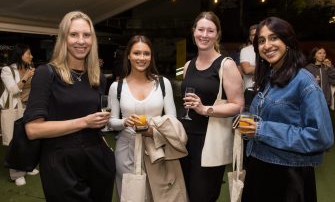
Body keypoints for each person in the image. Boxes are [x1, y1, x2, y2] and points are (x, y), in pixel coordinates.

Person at [24, 11, 115, 202]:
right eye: (74, 34)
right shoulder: (46, 74)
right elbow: (33, 129)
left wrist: (105, 147)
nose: (81, 41)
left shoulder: (97, 77)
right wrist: (84, 122)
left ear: (93, 40)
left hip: (98, 162)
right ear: (63, 38)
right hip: (61, 166)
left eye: (86, 35)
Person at [240, 17, 334, 202]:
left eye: (274, 38)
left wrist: (261, 129)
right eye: (261, 40)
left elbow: (321, 136)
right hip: (260, 168)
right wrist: (249, 128)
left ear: (288, 41)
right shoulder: (269, 77)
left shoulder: (304, 82)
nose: (267, 45)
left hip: (287, 176)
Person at [108, 35, 188, 201]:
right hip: (127, 148)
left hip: (157, 148)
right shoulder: (117, 86)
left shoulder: (163, 83)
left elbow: (172, 118)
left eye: (146, 53)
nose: (141, 58)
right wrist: (124, 122)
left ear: (151, 57)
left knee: (159, 196)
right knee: (131, 194)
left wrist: (153, 131)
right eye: (137, 53)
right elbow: (111, 122)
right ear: (128, 56)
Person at [180, 11, 244, 202]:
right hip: (184, 141)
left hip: (210, 143)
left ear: (217, 34)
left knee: (202, 196)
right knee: (184, 194)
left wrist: (204, 109)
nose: (204, 35)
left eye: (210, 30)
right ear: (194, 32)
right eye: (200, 29)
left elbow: (238, 105)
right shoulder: (187, 65)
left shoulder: (226, 65)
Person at [0, 43, 39, 186]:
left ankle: (27, 167)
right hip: (14, 108)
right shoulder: (7, 70)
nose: (31, 56)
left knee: (29, 138)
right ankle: (16, 174)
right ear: (20, 54)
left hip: (29, 108)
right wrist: (25, 77)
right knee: (15, 141)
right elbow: (12, 90)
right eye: (28, 54)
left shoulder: (30, 69)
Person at [240, 24, 257, 105]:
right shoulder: (245, 51)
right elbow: (247, 70)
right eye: (253, 35)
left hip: (267, 90)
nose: (255, 37)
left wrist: (253, 68)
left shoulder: (266, 49)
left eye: (258, 34)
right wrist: (266, 67)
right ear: (250, 37)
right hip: (250, 91)